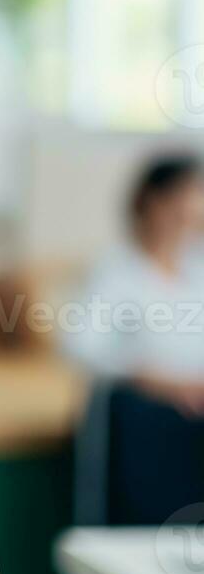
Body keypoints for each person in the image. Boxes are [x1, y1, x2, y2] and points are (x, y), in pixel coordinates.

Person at [63, 154, 204, 524]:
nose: (184, 224)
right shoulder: (116, 269)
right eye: (177, 210)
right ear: (150, 204)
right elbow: (80, 345)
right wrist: (151, 378)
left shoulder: (196, 269)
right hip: (141, 422)